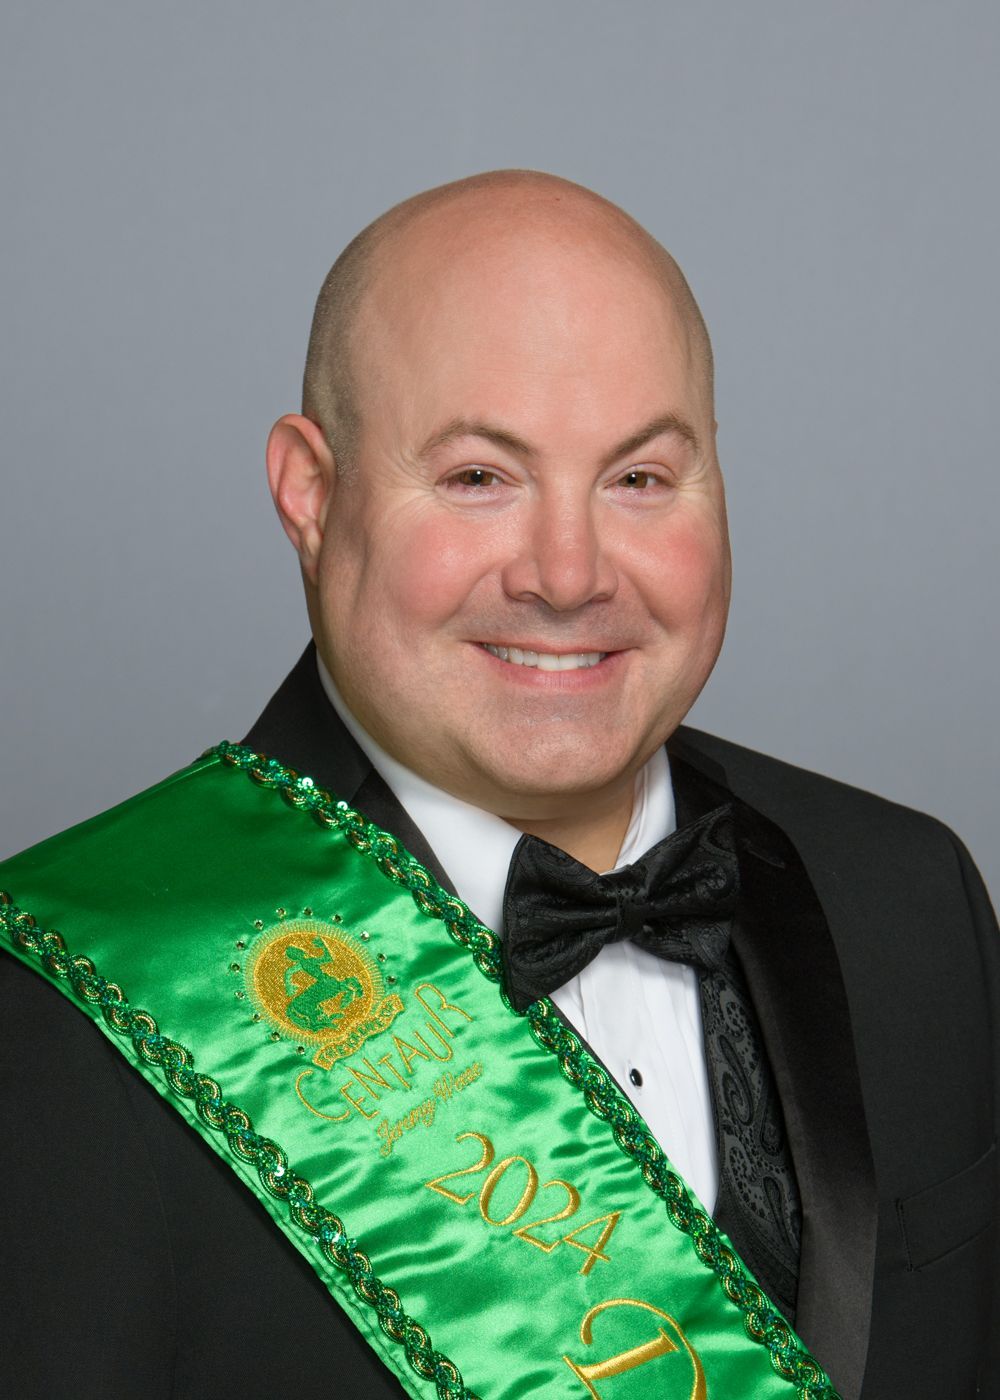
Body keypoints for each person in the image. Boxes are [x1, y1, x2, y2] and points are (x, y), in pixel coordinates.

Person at [1, 171, 997, 1400]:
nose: (569, 573)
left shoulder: (907, 897)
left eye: (637, 477)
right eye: (479, 475)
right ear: (310, 495)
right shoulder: (61, 1002)